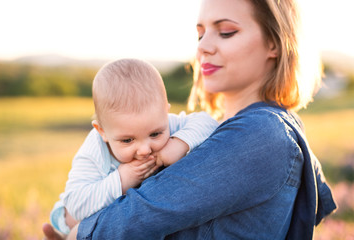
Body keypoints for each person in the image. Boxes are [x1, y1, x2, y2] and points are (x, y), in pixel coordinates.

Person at [43, 0, 337, 239]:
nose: (203, 47)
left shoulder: (262, 132)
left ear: (275, 43)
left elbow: (140, 214)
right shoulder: (225, 129)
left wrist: (80, 230)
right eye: (200, 33)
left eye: (226, 32)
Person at [47, 58, 219, 235]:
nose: (145, 150)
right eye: (128, 140)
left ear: (165, 112)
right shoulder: (95, 150)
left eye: (155, 134)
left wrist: (179, 143)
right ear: (102, 131)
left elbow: (209, 122)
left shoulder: (167, 123)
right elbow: (75, 207)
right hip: (73, 227)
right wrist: (122, 179)